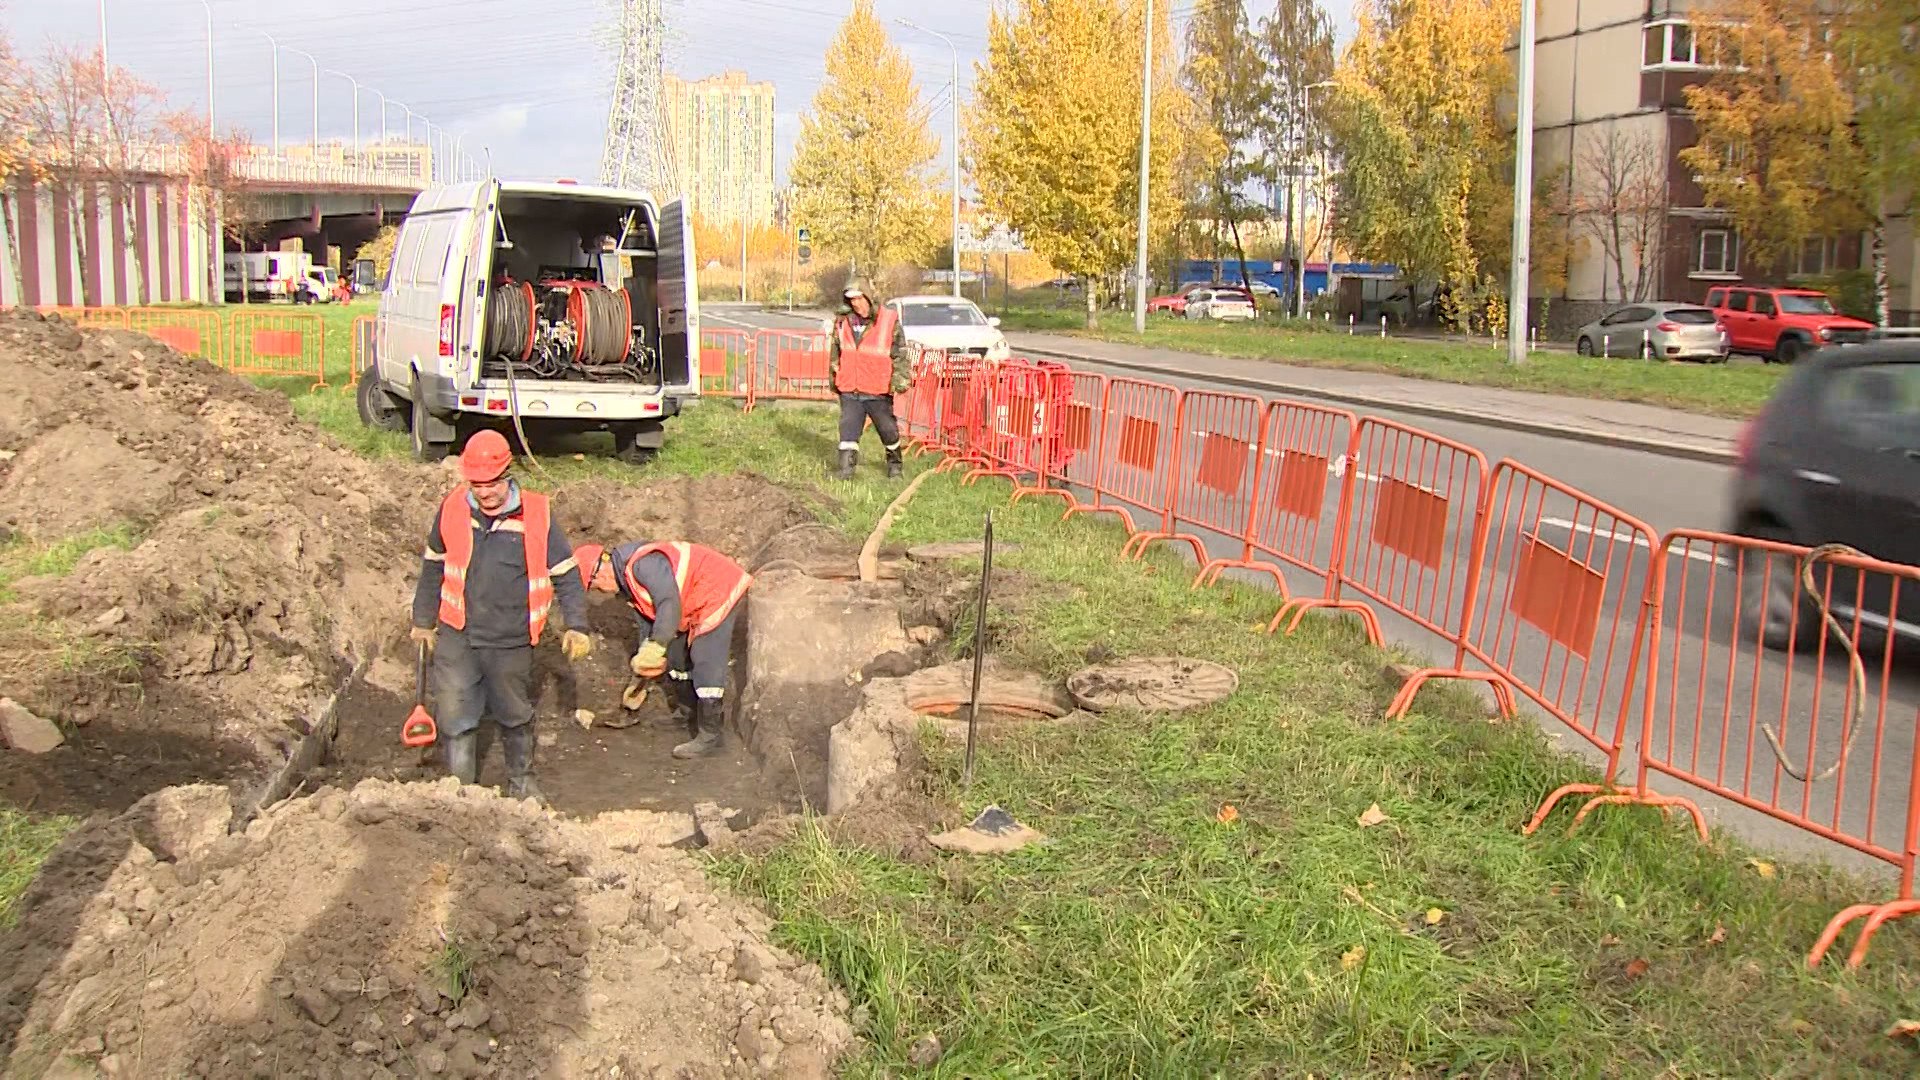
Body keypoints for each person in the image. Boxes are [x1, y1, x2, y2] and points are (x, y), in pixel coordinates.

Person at [410, 430, 595, 800]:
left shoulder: (537, 514)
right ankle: (460, 792)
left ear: (507, 475)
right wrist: (422, 619)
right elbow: (433, 565)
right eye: (477, 484)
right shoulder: (452, 509)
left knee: (514, 712)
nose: (485, 492)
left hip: (511, 637)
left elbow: (565, 573)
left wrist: (576, 625)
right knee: (456, 714)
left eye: (492, 483)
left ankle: (522, 783)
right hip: (459, 633)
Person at [571, 540, 752, 760]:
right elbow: (650, 627)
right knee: (676, 656)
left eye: (594, 585)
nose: (599, 590)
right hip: (691, 597)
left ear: (600, 571)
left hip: (716, 588)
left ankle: (711, 736)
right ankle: (688, 714)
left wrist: (657, 644)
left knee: (706, 658)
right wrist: (641, 674)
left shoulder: (642, 566)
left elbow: (668, 603)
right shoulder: (628, 586)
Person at [826, 283, 914, 480]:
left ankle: (895, 466)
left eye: (859, 298)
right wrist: (834, 379)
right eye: (852, 299)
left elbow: (899, 353)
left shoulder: (888, 320)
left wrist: (900, 380)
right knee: (848, 430)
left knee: (888, 431)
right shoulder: (842, 322)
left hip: (878, 388)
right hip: (850, 387)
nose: (856, 303)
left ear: (868, 297)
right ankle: (846, 471)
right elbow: (836, 352)